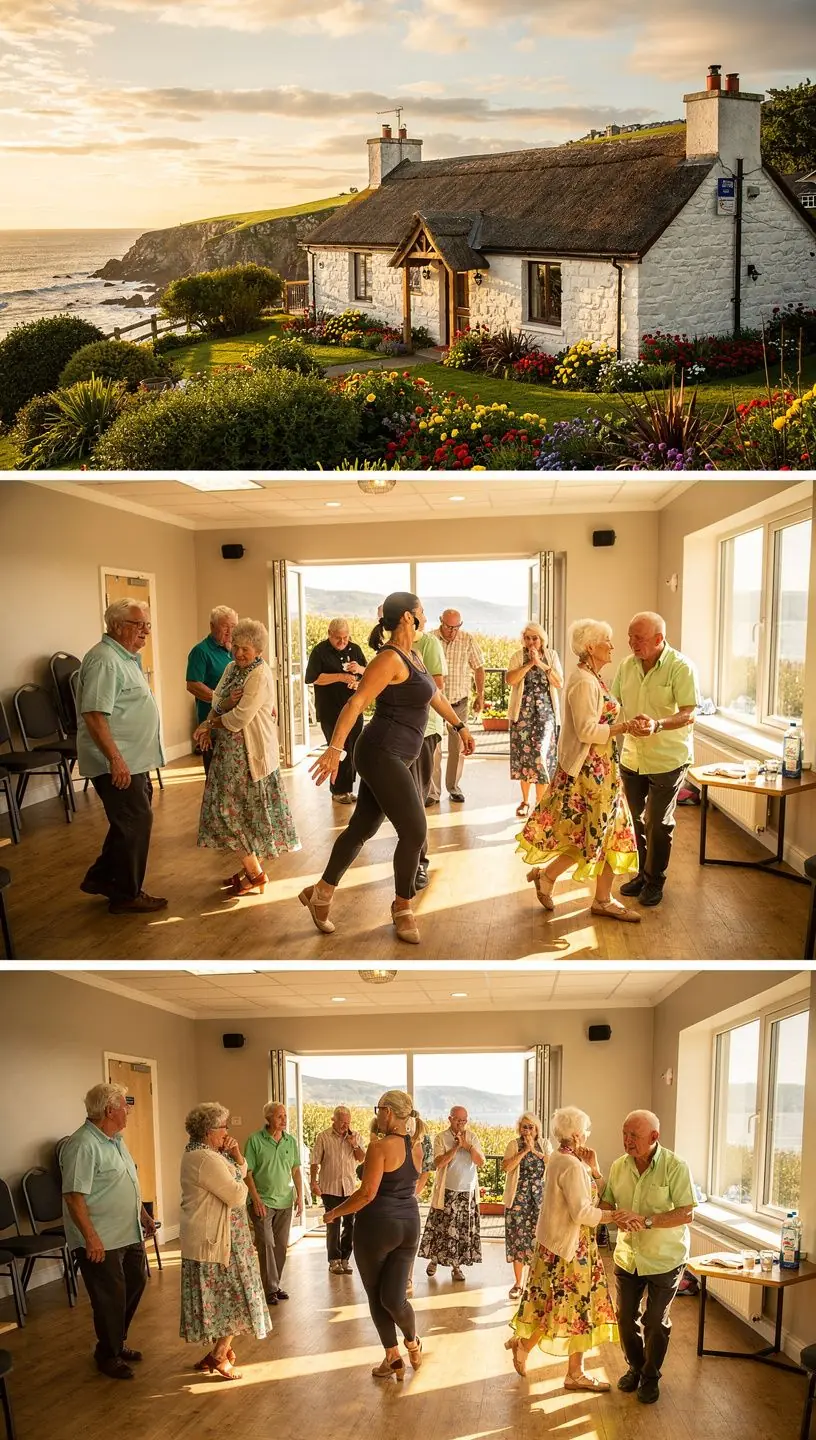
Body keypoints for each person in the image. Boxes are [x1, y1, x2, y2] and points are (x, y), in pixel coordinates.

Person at [299, 592, 476, 945]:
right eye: (422, 612)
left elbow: (434, 696)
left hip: (396, 754)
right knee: (415, 830)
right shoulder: (389, 658)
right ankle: (403, 907)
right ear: (409, 617)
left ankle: (320, 894)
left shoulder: (414, 655)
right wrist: (335, 749)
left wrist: (459, 726)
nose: (425, 616)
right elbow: (357, 701)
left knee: (362, 826)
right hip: (381, 752)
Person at [517, 617, 641, 923]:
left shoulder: (593, 677)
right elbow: (587, 730)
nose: (612, 646)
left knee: (605, 833)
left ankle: (597, 896)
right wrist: (625, 726)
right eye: (607, 641)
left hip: (604, 769)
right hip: (590, 772)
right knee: (595, 834)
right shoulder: (584, 681)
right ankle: (570, 886)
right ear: (590, 647)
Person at [505, 1106, 620, 1388]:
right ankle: (571, 1371)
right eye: (586, 1132)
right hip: (574, 1249)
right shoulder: (570, 1165)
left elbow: (589, 1194)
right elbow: (583, 1212)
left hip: (559, 1244)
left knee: (556, 1305)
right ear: (577, 1135)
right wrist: (614, 1216)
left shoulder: (560, 1158)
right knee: (576, 1310)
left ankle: (539, 1352)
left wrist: (593, 1169)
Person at [323, 1091, 424, 1382]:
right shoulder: (416, 1147)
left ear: (389, 1113)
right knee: (394, 1298)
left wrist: (334, 1213)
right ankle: (412, 1343)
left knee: (377, 1297)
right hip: (409, 1225)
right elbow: (418, 1181)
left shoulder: (379, 1147)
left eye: (379, 1108)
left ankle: (394, 1356)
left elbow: (367, 1194)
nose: (377, 1113)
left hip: (377, 1228)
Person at [195, 617, 299, 896]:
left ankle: (255, 873)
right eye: (236, 646)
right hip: (227, 754)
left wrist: (211, 724)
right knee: (230, 811)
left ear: (259, 650)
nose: (239, 653)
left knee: (239, 814)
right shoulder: (230, 668)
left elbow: (241, 717)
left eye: (246, 649)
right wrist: (217, 712)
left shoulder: (260, 674)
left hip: (251, 755)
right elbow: (216, 699)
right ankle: (252, 871)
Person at [600, 1109, 696, 1406]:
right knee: (625, 1319)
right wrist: (608, 1213)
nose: (627, 1140)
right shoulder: (618, 1166)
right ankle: (636, 1367)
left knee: (655, 1320)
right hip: (628, 1256)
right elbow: (606, 1203)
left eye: (634, 1136)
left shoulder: (675, 1167)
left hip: (665, 1258)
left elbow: (686, 1212)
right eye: (625, 1133)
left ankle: (651, 1376)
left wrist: (646, 1220)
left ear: (654, 1137)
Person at [61, 1082, 156, 1380]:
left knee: (136, 1282)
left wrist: (142, 1214)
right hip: (101, 1237)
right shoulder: (82, 1145)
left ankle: (117, 1341)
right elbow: (74, 1197)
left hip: (127, 1231)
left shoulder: (115, 1140)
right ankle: (108, 1353)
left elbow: (126, 1181)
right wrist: (91, 1237)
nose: (128, 1111)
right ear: (109, 1110)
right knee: (109, 1297)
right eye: (124, 1106)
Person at [76, 598, 166, 915]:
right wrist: (115, 759)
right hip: (118, 761)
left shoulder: (125, 657)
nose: (145, 631)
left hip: (133, 759)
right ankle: (126, 893)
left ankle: (102, 877)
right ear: (117, 626)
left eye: (147, 625)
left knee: (129, 821)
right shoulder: (104, 661)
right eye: (138, 624)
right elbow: (95, 715)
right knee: (135, 821)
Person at [612, 612, 700, 908]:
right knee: (635, 819)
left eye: (638, 638)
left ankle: (655, 880)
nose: (631, 642)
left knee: (657, 821)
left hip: (669, 758)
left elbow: (689, 713)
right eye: (630, 636)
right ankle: (641, 874)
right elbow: (613, 706)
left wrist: (657, 724)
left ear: (659, 639)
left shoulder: (681, 667)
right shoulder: (626, 666)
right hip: (632, 756)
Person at [179, 1102, 271, 1380]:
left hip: (229, 1239)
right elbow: (236, 1194)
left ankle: (218, 1352)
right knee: (236, 1297)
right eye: (224, 1127)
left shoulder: (210, 1154)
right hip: (217, 1241)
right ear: (209, 1131)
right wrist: (243, 1183)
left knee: (230, 1297)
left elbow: (240, 1172)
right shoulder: (204, 1159)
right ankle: (220, 1355)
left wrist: (235, 1154)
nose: (227, 1131)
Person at [244, 1102, 303, 1305]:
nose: (284, 1119)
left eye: (285, 1116)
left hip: (285, 1201)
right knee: (266, 1243)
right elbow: (247, 1173)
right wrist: (256, 1199)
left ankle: (273, 1285)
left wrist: (300, 1196)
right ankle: (269, 1289)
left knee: (280, 1246)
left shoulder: (290, 1141)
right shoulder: (254, 1141)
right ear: (268, 1118)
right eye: (279, 1116)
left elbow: (295, 1170)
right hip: (262, 1202)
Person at [304, 619, 367, 805]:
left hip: (354, 708)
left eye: (345, 637)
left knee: (354, 748)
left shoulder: (355, 649)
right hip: (330, 710)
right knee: (338, 750)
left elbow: (367, 674)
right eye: (338, 638)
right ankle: (338, 790)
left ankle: (347, 788)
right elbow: (312, 678)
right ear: (329, 634)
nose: (342, 642)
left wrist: (357, 676)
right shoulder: (319, 651)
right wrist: (340, 677)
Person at [418, 1105, 484, 1283]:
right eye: (458, 1120)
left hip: (467, 1193)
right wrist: (455, 1147)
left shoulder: (472, 1137)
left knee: (461, 1232)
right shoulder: (441, 1137)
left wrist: (467, 1146)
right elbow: (438, 1163)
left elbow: (481, 1162)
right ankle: (434, 1260)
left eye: (464, 1120)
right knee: (442, 1229)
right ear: (450, 1119)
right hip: (447, 1192)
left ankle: (457, 1267)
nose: (461, 1124)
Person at [506, 623, 563, 818]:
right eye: (528, 638)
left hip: (546, 713)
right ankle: (525, 801)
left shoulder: (552, 656)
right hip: (522, 714)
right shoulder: (517, 656)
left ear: (542, 640)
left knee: (541, 755)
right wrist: (529, 664)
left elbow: (559, 682)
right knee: (525, 758)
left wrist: (540, 663)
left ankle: (540, 803)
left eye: (535, 638)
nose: (531, 642)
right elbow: (511, 680)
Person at [431, 609, 485, 803]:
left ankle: (453, 788)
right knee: (434, 747)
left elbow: (478, 667)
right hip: (434, 702)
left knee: (458, 747)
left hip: (459, 701)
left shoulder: (468, 639)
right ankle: (432, 793)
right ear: (440, 622)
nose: (452, 631)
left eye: (456, 627)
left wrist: (480, 695)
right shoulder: (430, 640)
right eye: (448, 626)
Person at [408, 616, 447, 888]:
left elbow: (437, 688)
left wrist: (459, 725)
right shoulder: (388, 649)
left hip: (423, 730)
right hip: (393, 736)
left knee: (418, 799)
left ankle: (419, 864)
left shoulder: (429, 644)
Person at [310, 1107, 366, 1274]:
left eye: (347, 1122)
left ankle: (345, 1259)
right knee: (333, 1224)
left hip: (349, 1188)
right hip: (329, 1187)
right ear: (333, 1120)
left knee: (350, 1224)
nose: (345, 1125)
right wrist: (313, 1182)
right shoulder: (323, 1136)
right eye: (342, 1122)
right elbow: (314, 1162)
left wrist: (354, 1145)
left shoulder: (355, 1136)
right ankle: (333, 1260)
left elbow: (362, 1158)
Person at [502, 1113, 551, 1299]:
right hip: (518, 1200)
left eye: (531, 1127)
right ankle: (518, 1283)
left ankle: (536, 1282)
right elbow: (506, 1167)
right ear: (519, 1128)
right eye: (524, 1126)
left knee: (539, 1239)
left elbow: (552, 1162)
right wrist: (523, 1152)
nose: (527, 1130)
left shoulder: (545, 1145)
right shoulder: (513, 1145)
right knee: (518, 1240)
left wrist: (534, 1151)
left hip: (540, 1199)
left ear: (537, 1128)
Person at [186, 606, 238, 776]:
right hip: (211, 723)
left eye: (234, 626)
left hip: (233, 721)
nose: (230, 631)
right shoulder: (200, 651)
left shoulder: (235, 650)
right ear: (212, 626)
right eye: (225, 626)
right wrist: (220, 702)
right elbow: (193, 685)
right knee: (216, 775)